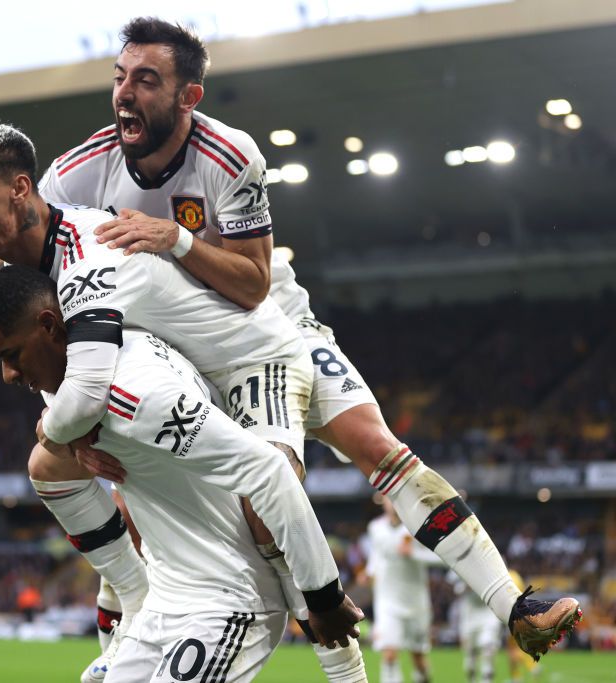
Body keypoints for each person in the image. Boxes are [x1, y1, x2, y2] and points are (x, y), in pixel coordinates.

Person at [38, 15, 581, 663]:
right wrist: (75, 418)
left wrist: (177, 240)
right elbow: (44, 312)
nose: (125, 93)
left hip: (274, 325)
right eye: (120, 78)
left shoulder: (229, 154)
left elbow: (251, 282)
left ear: (189, 97)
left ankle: (513, 604)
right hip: (179, 356)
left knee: (376, 446)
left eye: (146, 81)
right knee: (156, 519)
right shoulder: (73, 179)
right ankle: (118, 652)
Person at [0, 123, 366, 679]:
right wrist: (68, 429)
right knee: (67, 471)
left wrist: (61, 427)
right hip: (181, 369)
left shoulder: (87, 254)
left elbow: (86, 393)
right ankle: (142, 605)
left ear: (21, 189)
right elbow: (59, 375)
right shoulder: (28, 281)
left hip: (252, 358)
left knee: (266, 511)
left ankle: (343, 660)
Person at [0, 264, 365, 682]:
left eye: (12, 356)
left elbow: (270, 471)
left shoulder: (139, 395)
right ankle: (133, 595)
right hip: (165, 602)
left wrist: (324, 597)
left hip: (227, 600)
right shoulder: (81, 371)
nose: (8, 375)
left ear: (50, 325)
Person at [366, 498, 444, 683]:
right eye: (388, 499)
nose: (392, 503)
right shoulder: (375, 527)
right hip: (387, 600)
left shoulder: (419, 528)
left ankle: (424, 678)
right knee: (390, 654)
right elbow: (377, 554)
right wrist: (370, 572)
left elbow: (442, 557)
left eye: (396, 498)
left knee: (418, 658)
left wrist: (414, 554)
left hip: (416, 602)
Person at [450, 571, 502, 683]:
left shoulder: (493, 559)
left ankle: (486, 680)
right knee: (470, 655)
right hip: (469, 615)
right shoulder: (462, 561)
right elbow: (456, 588)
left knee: (488, 648)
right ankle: (471, 679)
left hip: (488, 612)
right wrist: (467, 585)